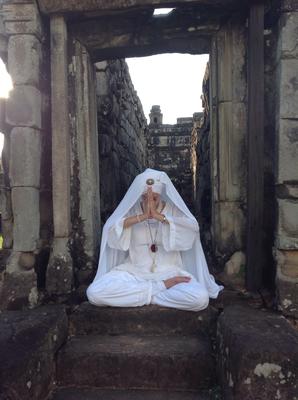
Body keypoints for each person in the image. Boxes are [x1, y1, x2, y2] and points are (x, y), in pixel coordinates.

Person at [86, 168, 223, 311]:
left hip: (170, 274)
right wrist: (142, 217)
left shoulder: (173, 210)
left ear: (161, 195)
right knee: (94, 292)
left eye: (154, 198)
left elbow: (192, 228)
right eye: (145, 197)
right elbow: (111, 229)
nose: (149, 201)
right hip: (134, 273)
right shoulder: (133, 211)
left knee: (200, 298)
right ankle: (156, 292)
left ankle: (138, 296)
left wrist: (160, 217)